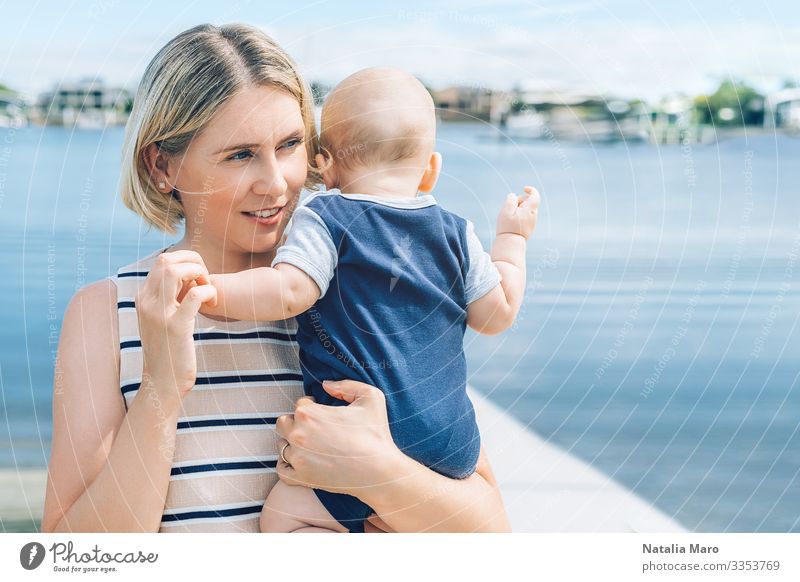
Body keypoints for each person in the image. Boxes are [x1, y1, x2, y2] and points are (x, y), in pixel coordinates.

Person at [41, 23, 510, 533]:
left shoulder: (367, 282)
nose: (277, 182)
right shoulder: (105, 313)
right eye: (240, 155)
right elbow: (72, 559)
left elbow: (492, 534)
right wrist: (160, 391)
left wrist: (381, 473)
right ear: (162, 166)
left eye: (289, 145)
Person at [202, 67, 540, 532]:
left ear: (325, 165)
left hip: (347, 443)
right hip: (449, 445)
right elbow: (497, 313)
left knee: (282, 517)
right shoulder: (456, 233)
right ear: (431, 170)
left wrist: (212, 289)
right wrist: (512, 242)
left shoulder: (327, 216)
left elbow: (290, 289)